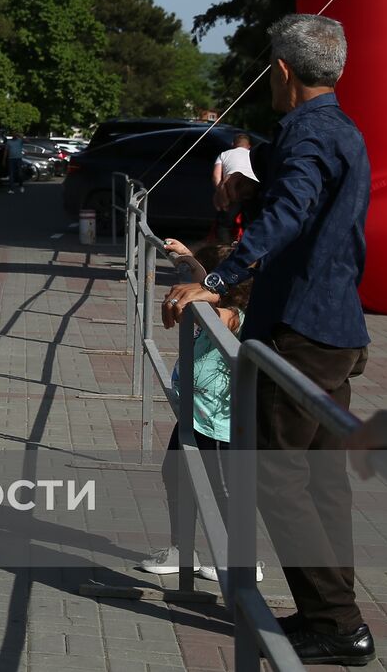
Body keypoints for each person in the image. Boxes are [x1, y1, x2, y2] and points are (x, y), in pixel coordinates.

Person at [161, 14, 373, 666]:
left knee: (276, 478)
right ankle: (332, 615)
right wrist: (254, 182)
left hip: (298, 329)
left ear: (281, 72)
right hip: (337, 329)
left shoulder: (307, 133)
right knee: (323, 482)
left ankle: (337, 623)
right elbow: (301, 199)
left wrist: (219, 278)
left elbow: (287, 213)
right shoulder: (340, 130)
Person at [141, 240, 257, 582]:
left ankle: (241, 559)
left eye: (207, 283)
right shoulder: (214, 301)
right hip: (193, 417)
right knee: (175, 475)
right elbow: (203, 278)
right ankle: (182, 548)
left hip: (222, 428)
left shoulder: (238, 317)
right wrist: (188, 257)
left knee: (223, 492)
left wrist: (199, 297)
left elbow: (226, 317)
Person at [212, 133, 257, 243]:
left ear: (233, 144)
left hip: (232, 188)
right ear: (249, 146)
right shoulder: (254, 154)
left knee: (224, 225)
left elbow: (216, 176)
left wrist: (221, 193)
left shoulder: (224, 154)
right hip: (253, 188)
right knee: (250, 225)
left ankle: (225, 251)